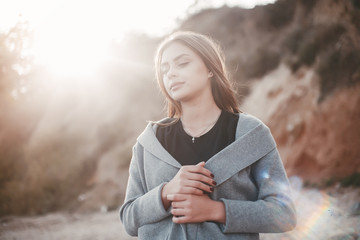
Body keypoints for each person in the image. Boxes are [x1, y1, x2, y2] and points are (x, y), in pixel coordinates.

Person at [119, 31, 296, 239]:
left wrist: (215, 210)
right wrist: (166, 192)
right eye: (164, 69)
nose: (170, 74)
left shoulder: (251, 134)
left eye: (182, 63)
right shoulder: (149, 142)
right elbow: (129, 220)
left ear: (210, 69)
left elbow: (285, 214)